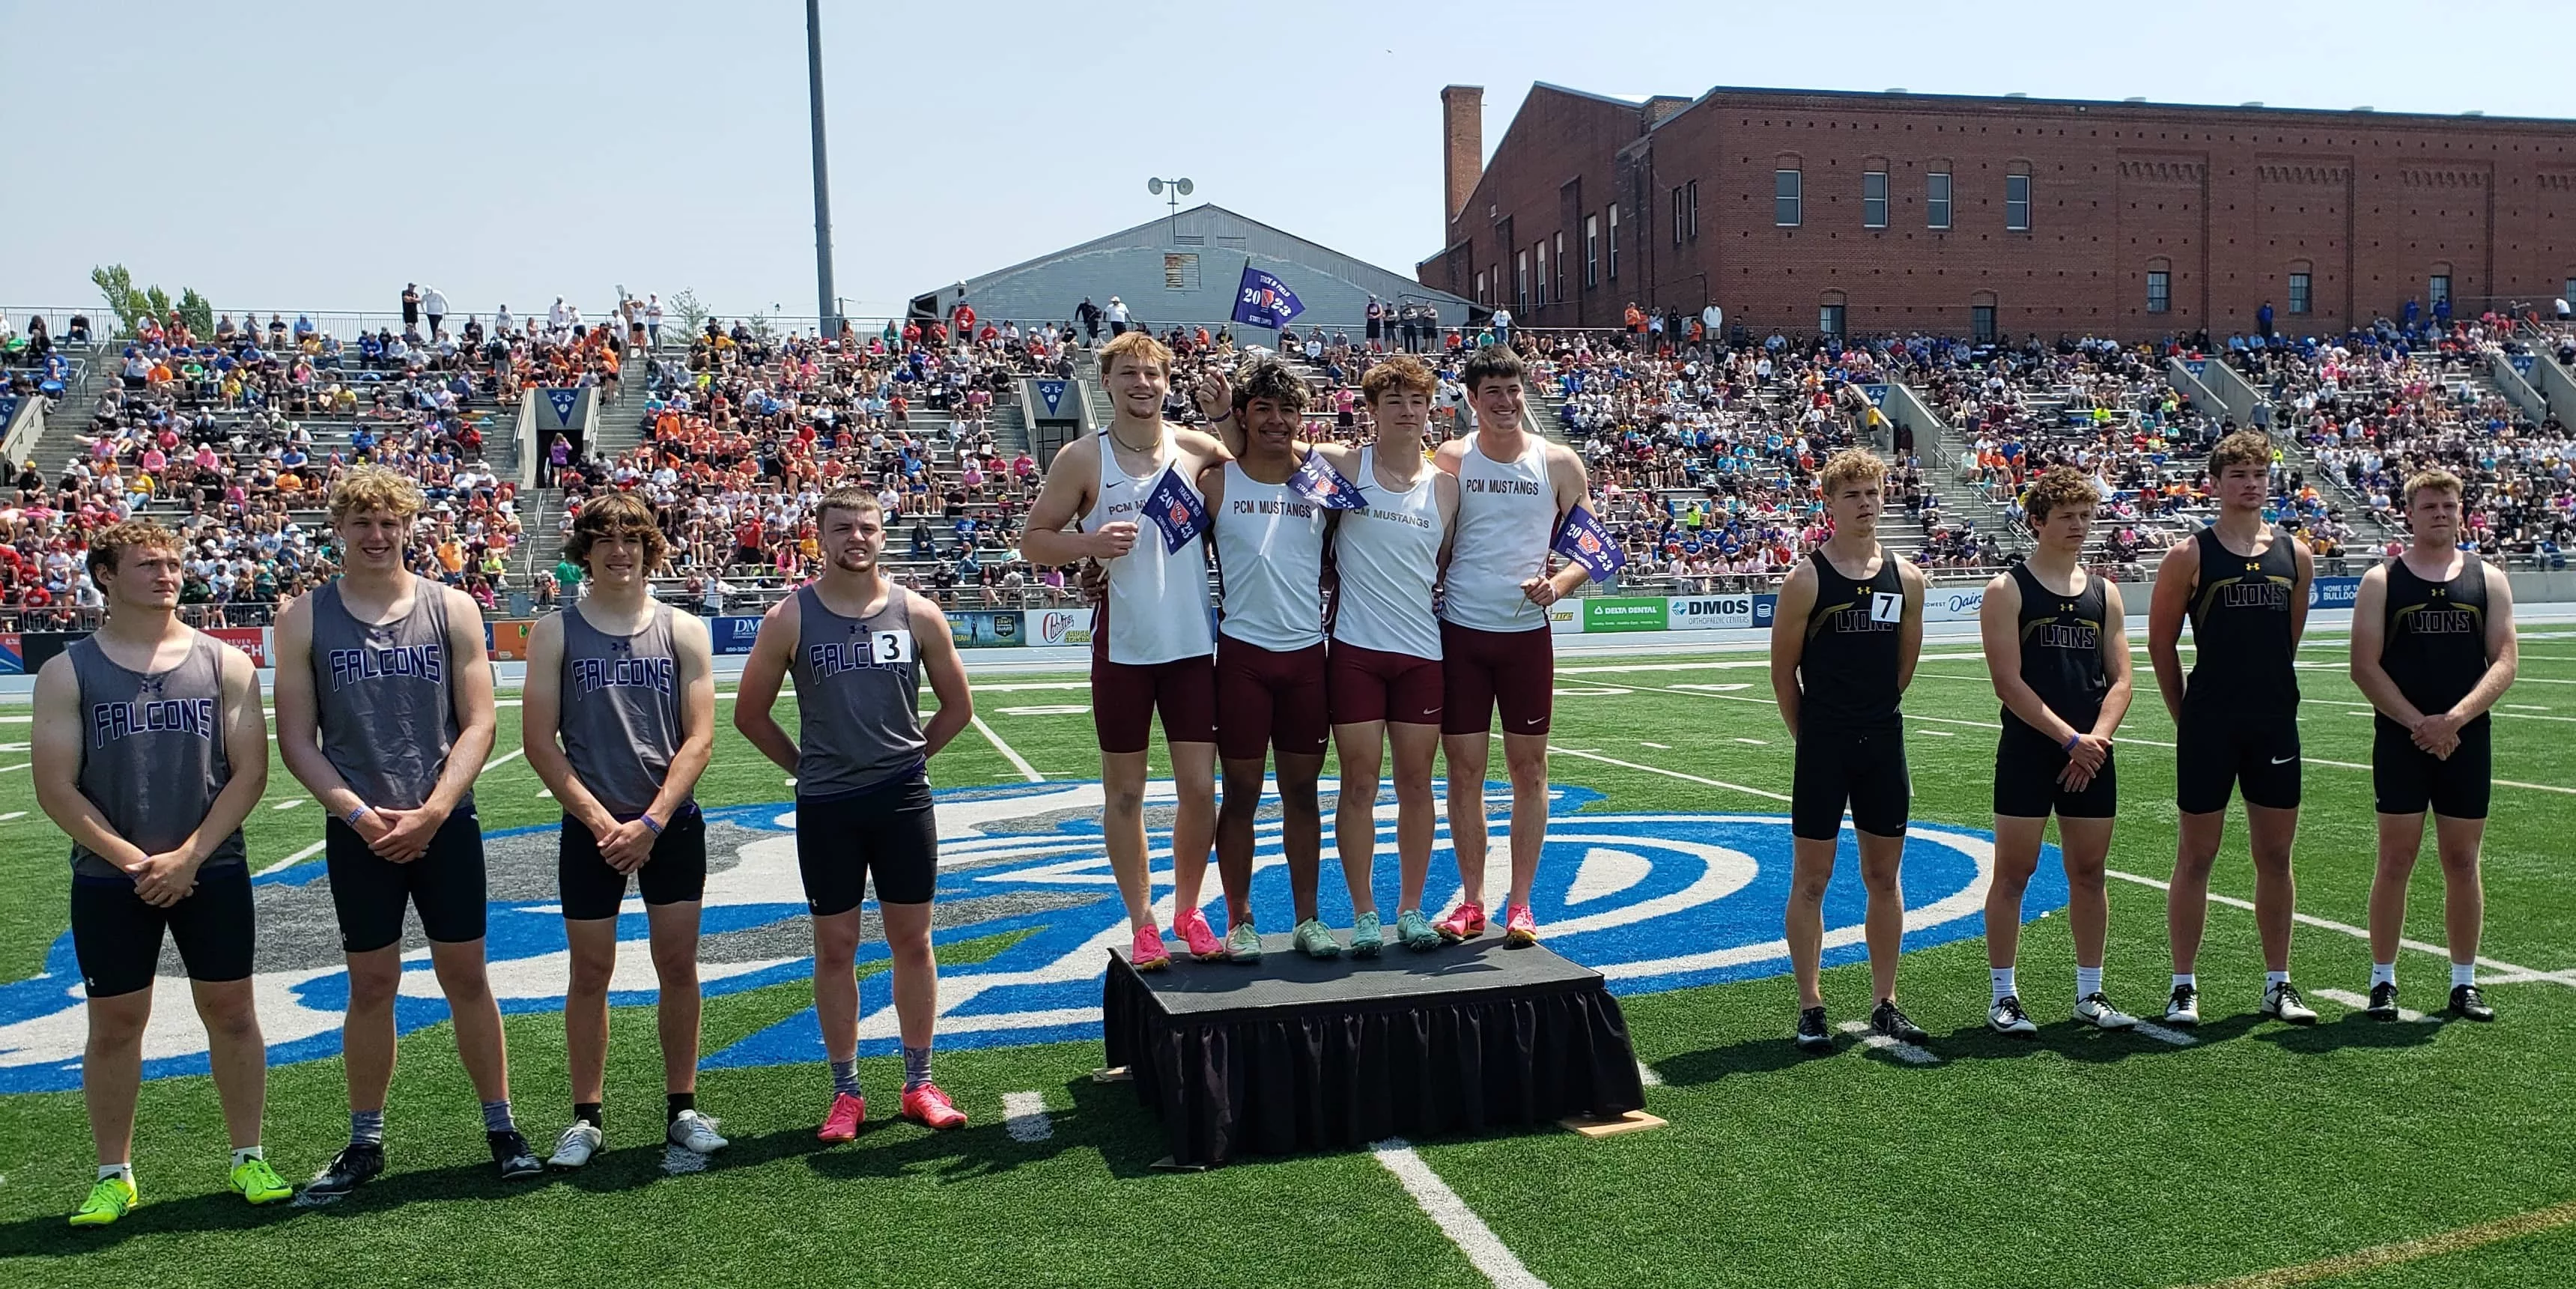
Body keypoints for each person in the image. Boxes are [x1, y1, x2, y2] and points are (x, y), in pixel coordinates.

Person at [275, 466, 529, 1193]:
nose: (378, 535)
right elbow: (297, 739)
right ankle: (365, 1140)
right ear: (339, 528)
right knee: (371, 983)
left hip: (443, 821)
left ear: (410, 525)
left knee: (465, 977)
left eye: (390, 521)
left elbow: (480, 721)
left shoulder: (451, 606)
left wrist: (435, 809)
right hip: (359, 830)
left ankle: (502, 1124)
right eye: (363, 522)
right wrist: (357, 813)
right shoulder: (303, 616)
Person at [33, 520, 291, 1225]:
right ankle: (113, 1172)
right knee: (115, 1023)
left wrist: (190, 856)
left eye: (173, 562)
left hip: (212, 866)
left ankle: (249, 1155)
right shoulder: (69, 670)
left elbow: (250, 773)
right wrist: (135, 860)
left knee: (234, 1012)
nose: (167, 574)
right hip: (112, 877)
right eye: (148, 564)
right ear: (106, 576)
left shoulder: (223, 663)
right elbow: (56, 786)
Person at [736, 488, 976, 1137]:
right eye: (842, 527)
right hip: (827, 806)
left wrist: (910, 757)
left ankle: (920, 1082)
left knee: (913, 940)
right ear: (819, 535)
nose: (856, 537)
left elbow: (959, 706)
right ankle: (846, 1091)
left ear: (883, 534)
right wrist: (806, 768)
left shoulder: (918, 613)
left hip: (902, 800)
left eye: (867, 527)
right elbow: (748, 714)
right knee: (836, 946)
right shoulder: (790, 617)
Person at [523, 493, 727, 1167]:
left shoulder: (682, 628)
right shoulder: (555, 631)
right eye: (605, 539)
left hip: (667, 824)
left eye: (632, 538)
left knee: (677, 965)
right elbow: (540, 742)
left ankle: (683, 1106)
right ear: (585, 550)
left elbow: (699, 739)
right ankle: (585, 1117)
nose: (619, 550)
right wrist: (603, 821)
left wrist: (650, 820)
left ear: (649, 547)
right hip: (593, 827)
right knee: (591, 970)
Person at [1019, 330, 1231, 968]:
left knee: (1200, 790)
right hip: (1124, 649)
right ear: (1105, 383)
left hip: (1193, 644)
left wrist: (1223, 412)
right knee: (1126, 795)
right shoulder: (1085, 458)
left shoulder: (1196, 448)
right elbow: (1033, 540)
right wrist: (1089, 547)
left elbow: (1256, 472)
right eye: (1130, 374)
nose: (1143, 384)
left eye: (1154, 374)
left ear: (1169, 383)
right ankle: (1143, 921)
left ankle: (1189, 909)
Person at [2148, 431, 2318, 1028]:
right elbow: (2160, 642)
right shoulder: (2190, 554)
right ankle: (2183, 984)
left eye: (2260, 472)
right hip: (2209, 723)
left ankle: (2279, 981)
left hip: (2273, 721)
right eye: (2239, 473)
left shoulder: (2296, 554)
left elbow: (2287, 639)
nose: (2251, 482)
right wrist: (2185, 715)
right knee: (2197, 855)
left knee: (2275, 855)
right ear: (2214, 483)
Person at [1431, 345, 1594, 947]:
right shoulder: (1452, 458)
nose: (1505, 401)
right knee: (1466, 771)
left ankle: (1521, 903)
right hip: (1462, 635)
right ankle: (1473, 901)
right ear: (1472, 401)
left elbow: (1591, 551)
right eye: (1491, 392)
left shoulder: (1559, 462)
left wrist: (1557, 584)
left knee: (1529, 770)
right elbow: (1433, 538)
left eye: (1513, 389)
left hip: (1527, 637)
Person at [1770, 449, 1929, 1052]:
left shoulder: (1907, 578)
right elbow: (1784, 675)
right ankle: (1811, 1003)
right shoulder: (1807, 577)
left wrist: (1869, 717)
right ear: (1830, 504)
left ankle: (1885, 1000)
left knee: (1883, 878)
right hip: (1825, 745)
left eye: (1873, 493)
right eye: (1853, 495)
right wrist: (1811, 736)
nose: (1866, 504)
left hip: (1883, 740)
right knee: (1812, 879)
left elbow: (1901, 667)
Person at [2351, 469, 2516, 1022]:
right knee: (2395, 858)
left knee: (2462, 860)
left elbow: (2505, 661)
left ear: (2462, 510)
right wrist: (2420, 723)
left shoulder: (2488, 578)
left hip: (2466, 738)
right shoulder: (2383, 580)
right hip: (2402, 739)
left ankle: (2464, 981)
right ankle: (2382, 979)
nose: (2440, 513)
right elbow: (2364, 665)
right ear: (2410, 513)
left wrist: (2455, 720)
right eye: (2429, 506)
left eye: (2449, 504)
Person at [1978, 467, 2138, 1036]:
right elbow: (2008, 683)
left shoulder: (2104, 591)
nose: (2078, 525)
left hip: (2091, 755)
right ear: (2038, 521)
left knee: (2090, 872)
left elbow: (2122, 679)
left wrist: (2095, 741)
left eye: (2085, 515)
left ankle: (2090, 993)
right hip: (2031, 749)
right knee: (2014, 872)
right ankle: (2004, 996)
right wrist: (2069, 739)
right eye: (2066, 515)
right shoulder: (2008, 590)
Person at [1317, 357, 1456, 953]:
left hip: (1422, 656)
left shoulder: (1446, 488)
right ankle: (1365, 912)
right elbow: (1261, 447)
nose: (1406, 411)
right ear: (1371, 410)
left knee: (1418, 785)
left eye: (1416, 401)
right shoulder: (1345, 466)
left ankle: (1412, 910)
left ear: (1430, 409)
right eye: (1393, 401)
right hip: (1356, 652)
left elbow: (1442, 565)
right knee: (1358, 784)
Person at [1199, 357, 1333, 959]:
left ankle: (1308, 919)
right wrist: (1095, 568)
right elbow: (1154, 541)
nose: (1278, 421)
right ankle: (1241, 920)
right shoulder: (1216, 483)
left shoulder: (1321, 483)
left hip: (1308, 659)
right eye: (1264, 410)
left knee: (1303, 795)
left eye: (1289, 410)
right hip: (1244, 661)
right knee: (1242, 794)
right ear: (1243, 417)